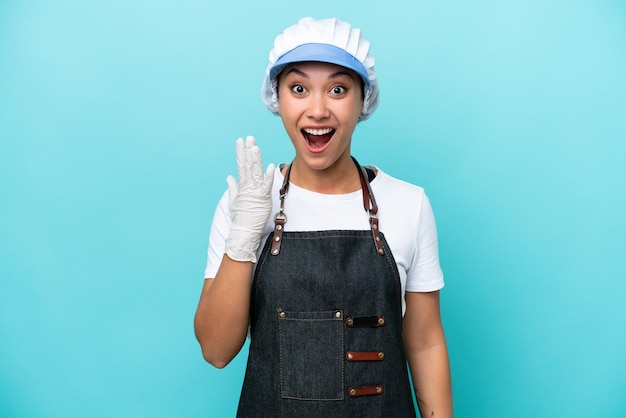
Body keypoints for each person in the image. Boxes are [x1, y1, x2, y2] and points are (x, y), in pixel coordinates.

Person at [194, 17, 453, 417]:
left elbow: (424, 341)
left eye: (337, 89)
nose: (317, 110)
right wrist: (243, 237)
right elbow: (215, 350)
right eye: (298, 88)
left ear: (362, 99)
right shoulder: (246, 205)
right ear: (276, 98)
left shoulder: (408, 204)